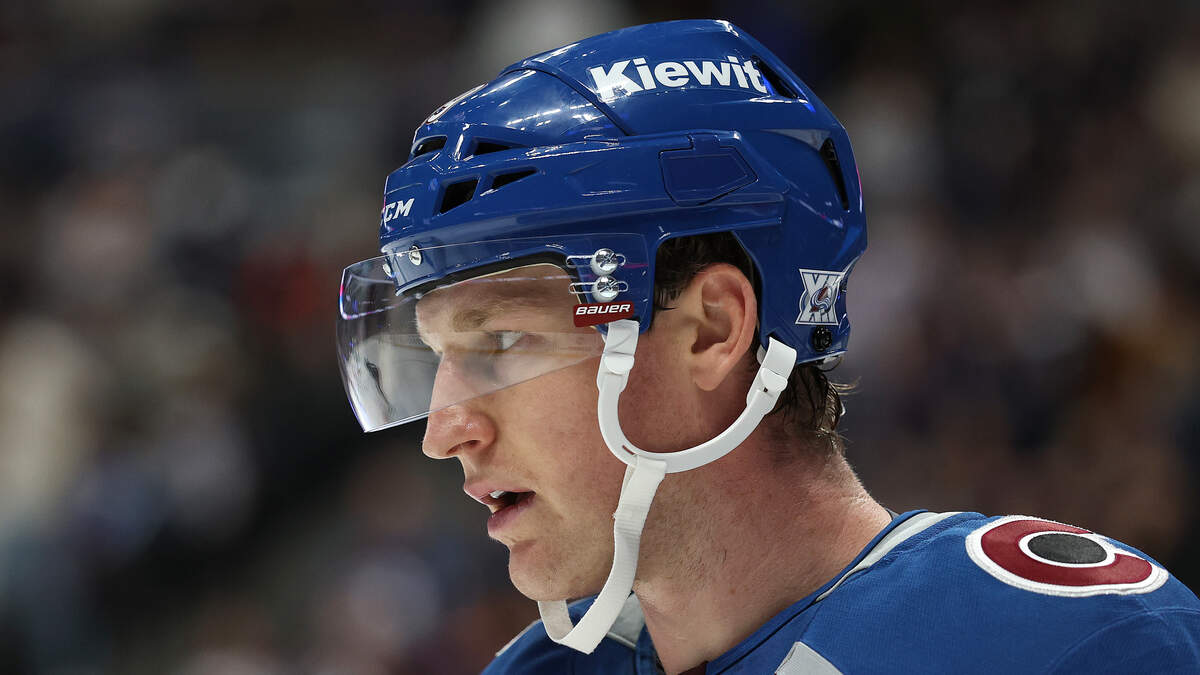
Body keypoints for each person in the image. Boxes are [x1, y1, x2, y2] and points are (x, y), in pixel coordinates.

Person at [335, 19, 1200, 674]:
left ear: (713, 330)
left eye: (501, 338)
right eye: (439, 354)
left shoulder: (1063, 644)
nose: (444, 429)